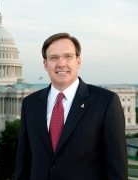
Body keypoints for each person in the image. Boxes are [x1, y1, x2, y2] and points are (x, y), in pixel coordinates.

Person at [15, 33, 128, 180]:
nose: (61, 63)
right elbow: (23, 163)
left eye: (68, 56)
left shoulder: (106, 101)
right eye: (54, 57)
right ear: (45, 64)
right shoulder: (30, 104)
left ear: (78, 61)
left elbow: (116, 168)